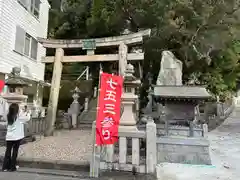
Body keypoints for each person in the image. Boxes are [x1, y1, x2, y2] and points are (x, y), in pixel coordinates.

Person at [2, 103, 31, 172]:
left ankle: (5, 167)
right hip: (16, 137)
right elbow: (27, 118)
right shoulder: (19, 117)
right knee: (15, 151)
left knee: (8, 152)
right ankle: (12, 167)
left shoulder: (8, 115)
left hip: (9, 137)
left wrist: (21, 110)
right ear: (17, 109)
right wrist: (28, 112)